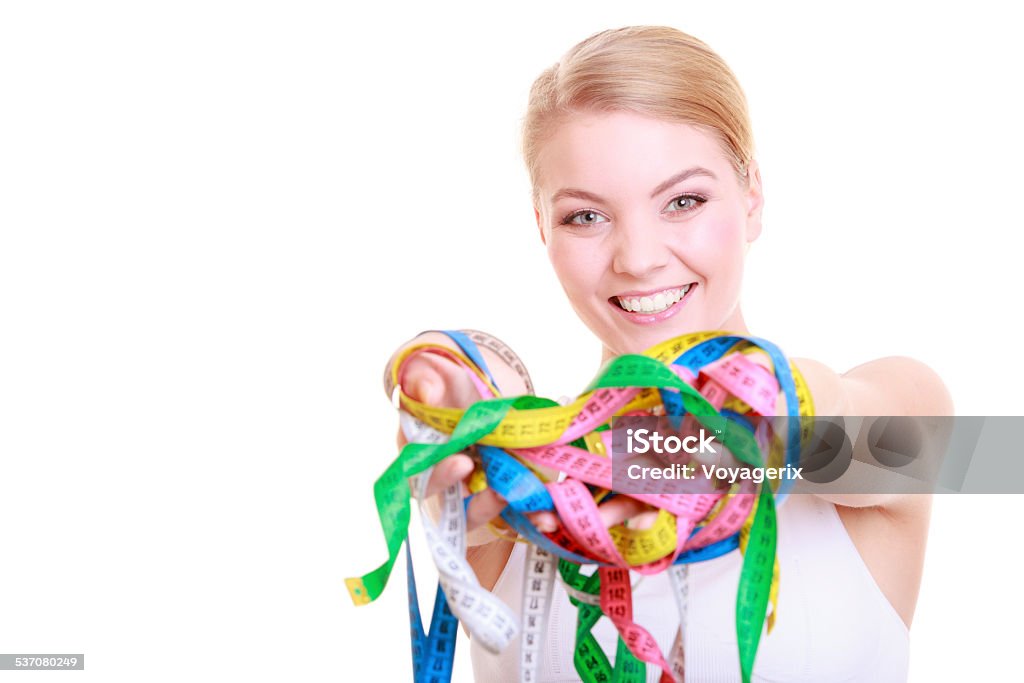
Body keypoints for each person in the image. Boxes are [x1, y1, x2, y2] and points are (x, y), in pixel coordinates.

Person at [388, 26, 952, 683]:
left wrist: (746, 411)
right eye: (585, 216)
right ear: (542, 226)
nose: (639, 257)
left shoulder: (903, 404)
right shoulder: (522, 490)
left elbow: (845, 425)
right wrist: (468, 429)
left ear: (752, 198)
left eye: (683, 201)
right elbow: (478, 429)